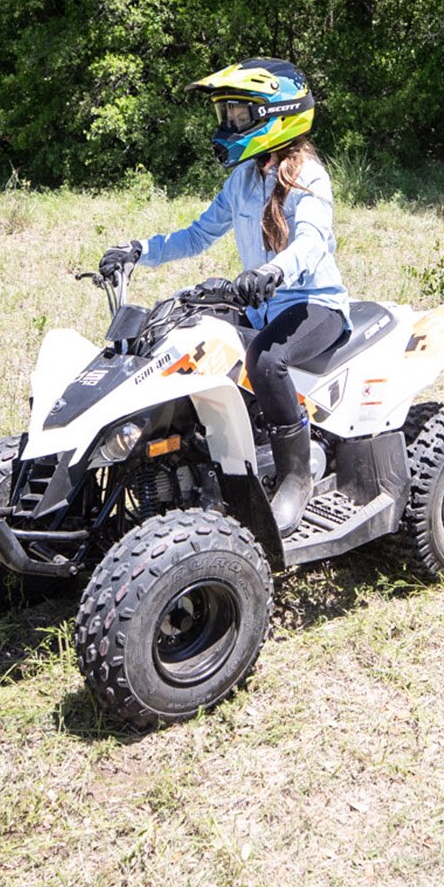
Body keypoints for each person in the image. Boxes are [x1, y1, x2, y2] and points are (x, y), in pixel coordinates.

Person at [96, 58, 348, 535]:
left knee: (265, 360)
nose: (229, 125)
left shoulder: (307, 176)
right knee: (186, 335)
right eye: (226, 116)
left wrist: (272, 270)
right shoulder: (244, 179)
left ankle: (296, 478)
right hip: (262, 303)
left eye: (239, 116)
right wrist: (138, 251)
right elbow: (197, 234)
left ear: (278, 116)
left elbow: (312, 243)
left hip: (315, 306)